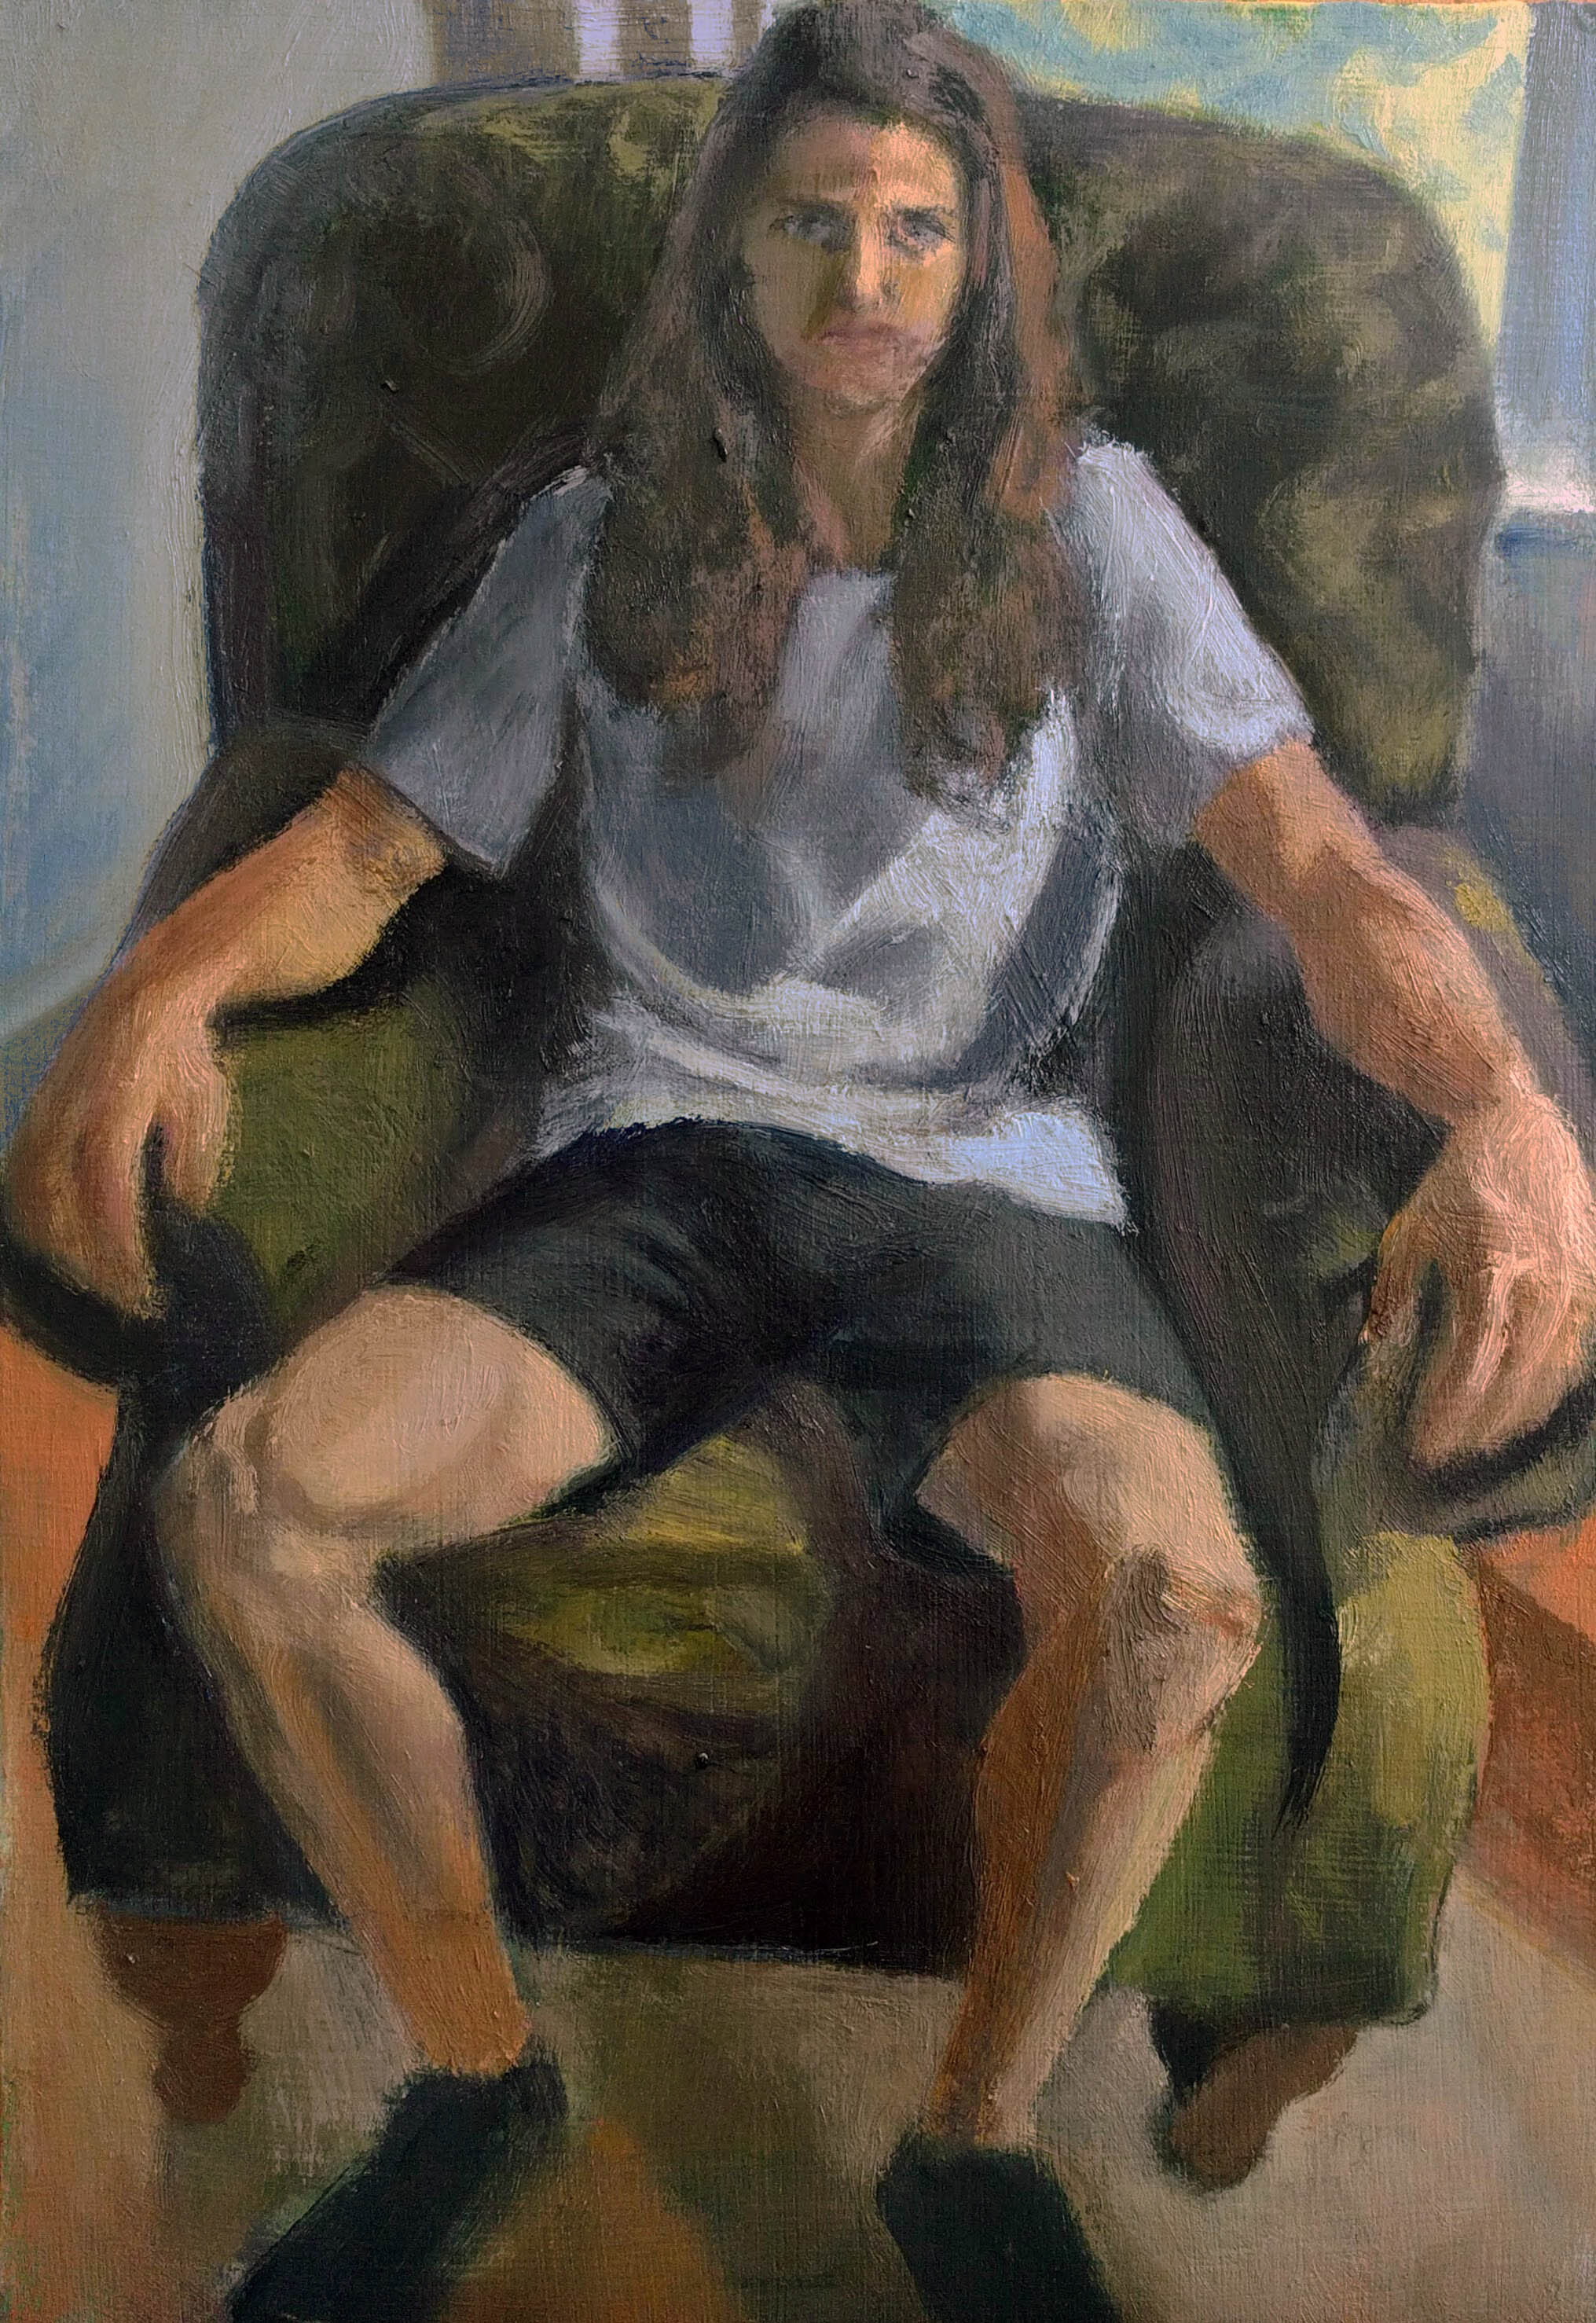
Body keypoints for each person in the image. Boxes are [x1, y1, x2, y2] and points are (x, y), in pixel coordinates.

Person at [7, 6, 1596, 2318]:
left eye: (918, 231)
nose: (866, 279)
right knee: (244, 1510)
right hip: (655, 1163)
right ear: (732, 263)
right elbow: (364, 847)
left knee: (1183, 1600)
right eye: (813, 225)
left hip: (981, 1185)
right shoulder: (599, 541)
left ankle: (975, 2140)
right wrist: (156, 987)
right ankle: (473, 2079)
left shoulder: (1093, 532)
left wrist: (1509, 1108)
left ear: (982, 269)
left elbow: (1330, 877)